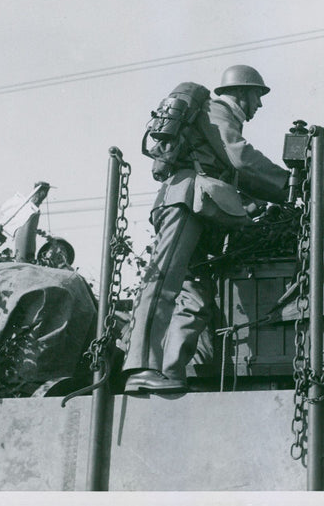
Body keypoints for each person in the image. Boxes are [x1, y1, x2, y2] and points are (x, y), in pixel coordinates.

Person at [122, 64, 290, 394]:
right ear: (241, 92)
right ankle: (141, 366)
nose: (259, 105)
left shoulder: (216, 119)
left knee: (194, 292)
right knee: (163, 282)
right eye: (257, 96)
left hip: (201, 208)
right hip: (186, 201)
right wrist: (289, 183)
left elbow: (233, 173)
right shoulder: (218, 110)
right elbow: (240, 158)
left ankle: (168, 371)